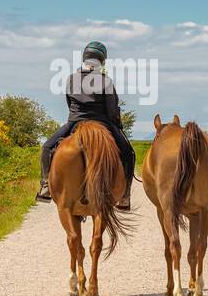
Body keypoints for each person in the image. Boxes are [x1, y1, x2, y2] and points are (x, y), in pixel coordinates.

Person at [37, 41, 136, 210]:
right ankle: (125, 194)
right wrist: (117, 123)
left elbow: (70, 102)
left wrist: (76, 117)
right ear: (102, 60)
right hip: (102, 122)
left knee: (47, 147)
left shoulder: (71, 79)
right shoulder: (105, 81)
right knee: (128, 153)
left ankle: (46, 185)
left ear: (85, 58)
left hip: (75, 121)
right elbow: (112, 109)